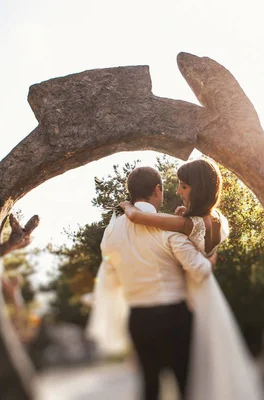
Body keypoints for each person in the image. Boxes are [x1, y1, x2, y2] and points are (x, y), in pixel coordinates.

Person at [118, 158, 264, 400]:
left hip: (192, 293)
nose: (178, 191)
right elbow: (210, 249)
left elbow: (137, 217)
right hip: (208, 292)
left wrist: (126, 206)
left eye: (183, 186)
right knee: (210, 361)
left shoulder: (186, 224)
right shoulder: (217, 218)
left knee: (192, 368)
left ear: (197, 188)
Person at [86, 166, 217, 400]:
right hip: (174, 315)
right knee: (186, 384)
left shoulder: (111, 232)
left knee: (149, 385)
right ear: (158, 190)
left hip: (138, 318)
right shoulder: (168, 227)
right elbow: (199, 270)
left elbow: (111, 269)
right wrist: (212, 255)